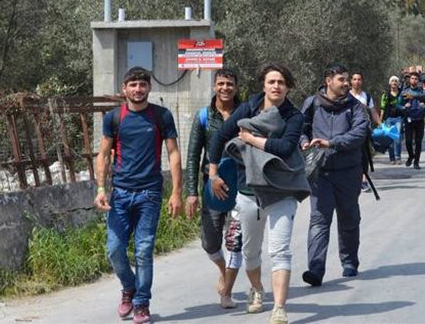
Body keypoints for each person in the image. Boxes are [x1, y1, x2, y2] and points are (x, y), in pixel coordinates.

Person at [208, 63, 309, 324]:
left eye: (281, 82)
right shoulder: (249, 108)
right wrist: (213, 173)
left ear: (288, 87)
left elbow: (285, 147)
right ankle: (257, 289)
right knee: (250, 252)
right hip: (247, 191)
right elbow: (220, 136)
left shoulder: (293, 116)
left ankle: (279, 308)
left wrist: (252, 140)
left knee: (280, 250)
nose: (276, 86)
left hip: (281, 190)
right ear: (263, 85)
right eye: (271, 81)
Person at [94, 67, 183, 324]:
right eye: (132, 85)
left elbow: (173, 153)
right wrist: (101, 189)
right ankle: (129, 287)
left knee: (143, 250)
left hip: (150, 194)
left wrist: (176, 192)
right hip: (120, 194)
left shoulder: (161, 116)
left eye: (142, 84)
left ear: (149, 88)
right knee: (114, 250)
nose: (138, 89)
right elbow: (103, 155)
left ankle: (142, 303)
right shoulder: (114, 118)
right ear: (124, 89)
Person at [300, 64, 370, 286]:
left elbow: (359, 134)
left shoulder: (356, 107)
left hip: (348, 172)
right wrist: (304, 142)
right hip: (320, 173)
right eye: (342, 79)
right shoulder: (312, 103)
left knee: (349, 218)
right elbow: (300, 128)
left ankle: (349, 262)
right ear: (328, 81)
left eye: (347, 79)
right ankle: (315, 270)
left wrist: (331, 143)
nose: (346, 83)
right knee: (319, 220)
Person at [184, 68, 243, 309]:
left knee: (235, 241)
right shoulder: (204, 116)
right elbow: (192, 155)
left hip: (241, 185)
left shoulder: (245, 113)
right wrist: (191, 192)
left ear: (236, 87)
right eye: (221, 84)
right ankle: (223, 270)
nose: (225, 88)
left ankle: (226, 292)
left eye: (229, 84)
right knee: (210, 243)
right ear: (214, 86)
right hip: (212, 186)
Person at [349, 72, 378, 193]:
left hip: (363, 131)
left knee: (364, 156)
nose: (357, 82)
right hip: (348, 131)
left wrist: (381, 125)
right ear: (351, 81)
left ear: (362, 81)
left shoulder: (367, 97)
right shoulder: (345, 96)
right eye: (354, 79)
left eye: (359, 79)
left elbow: (373, 112)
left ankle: (363, 180)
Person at [401, 72, 425, 169]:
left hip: (419, 119)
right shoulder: (405, 92)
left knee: (418, 142)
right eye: (412, 78)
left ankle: (416, 162)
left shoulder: (422, 92)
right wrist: (404, 106)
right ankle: (411, 156)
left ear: (418, 80)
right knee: (408, 141)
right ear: (410, 80)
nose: (414, 80)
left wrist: (424, 106)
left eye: (416, 79)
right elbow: (398, 104)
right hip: (409, 120)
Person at [380, 76, 404, 165]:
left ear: (398, 83)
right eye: (392, 81)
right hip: (388, 118)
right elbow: (382, 108)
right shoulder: (385, 95)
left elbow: (404, 105)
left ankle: (398, 157)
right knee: (390, 138)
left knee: (397, 138)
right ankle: (392, 158)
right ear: (390, 83)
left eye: (396, 81)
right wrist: (380, 120)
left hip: (398, 118)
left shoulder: (401, 94)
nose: (394, 82)